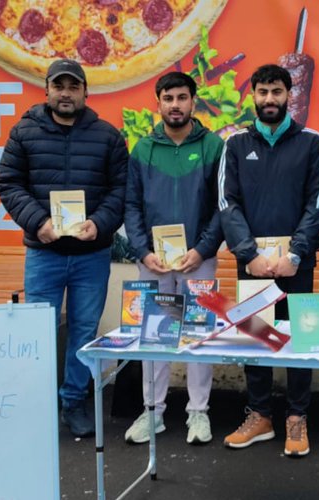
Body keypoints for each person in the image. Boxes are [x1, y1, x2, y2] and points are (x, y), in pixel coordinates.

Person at [0, 59, 127, 438]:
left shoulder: (108, 136)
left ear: (86, 92)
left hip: (92, 255)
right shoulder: (23, 133)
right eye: (60, 86)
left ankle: (73, 399)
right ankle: (37, 403)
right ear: (47, 90)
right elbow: (8, 183)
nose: (66, 93)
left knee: (84, 329)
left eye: (74, 86)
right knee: (39, 330)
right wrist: (39, 223)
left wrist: (100, 224)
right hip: (44, 253)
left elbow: (120, 190)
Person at [218, 64, 319, 457]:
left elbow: (318, 204)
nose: (269, 99)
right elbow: (227, 204)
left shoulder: (312, 142)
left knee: (301, 339)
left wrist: (296, 253)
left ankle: (297, 418)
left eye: (276, 92)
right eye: (262, 92)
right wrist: (250, 255)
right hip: (253, 266)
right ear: (253, 95)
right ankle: (260, 414)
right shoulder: (234, 145)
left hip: (297, 265)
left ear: (289, 95)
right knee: (257, 339)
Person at [123, 72, 225, 444]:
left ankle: (198, 413)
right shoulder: (143, 150)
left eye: (183, 97)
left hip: (200, 259)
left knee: (199, 336)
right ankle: (153, 412)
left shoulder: (214, 146)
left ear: (193, 102)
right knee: (154, 338)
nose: (176, 105)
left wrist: (203, 249)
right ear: (158, 103)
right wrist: (143, 251)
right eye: (169, 98)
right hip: (155, 263)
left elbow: (222, 207)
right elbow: (131, 206)